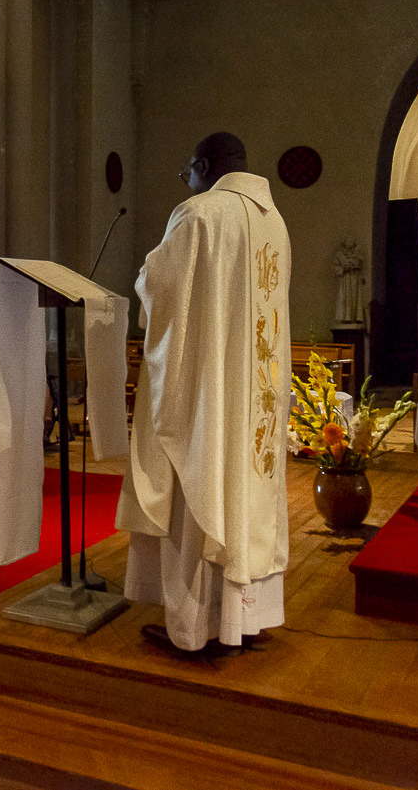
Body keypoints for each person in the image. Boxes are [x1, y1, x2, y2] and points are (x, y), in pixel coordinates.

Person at [117, 131, 291, 658]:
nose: (186, 180)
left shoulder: (199, 214)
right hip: (254, 392)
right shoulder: (274, 221)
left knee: (203, 482)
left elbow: (162, 290)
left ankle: (195, 627)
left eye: (188, 170)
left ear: (206, 165)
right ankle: (244, 621)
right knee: (245, 492)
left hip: (209, 393)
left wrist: (144, 277)